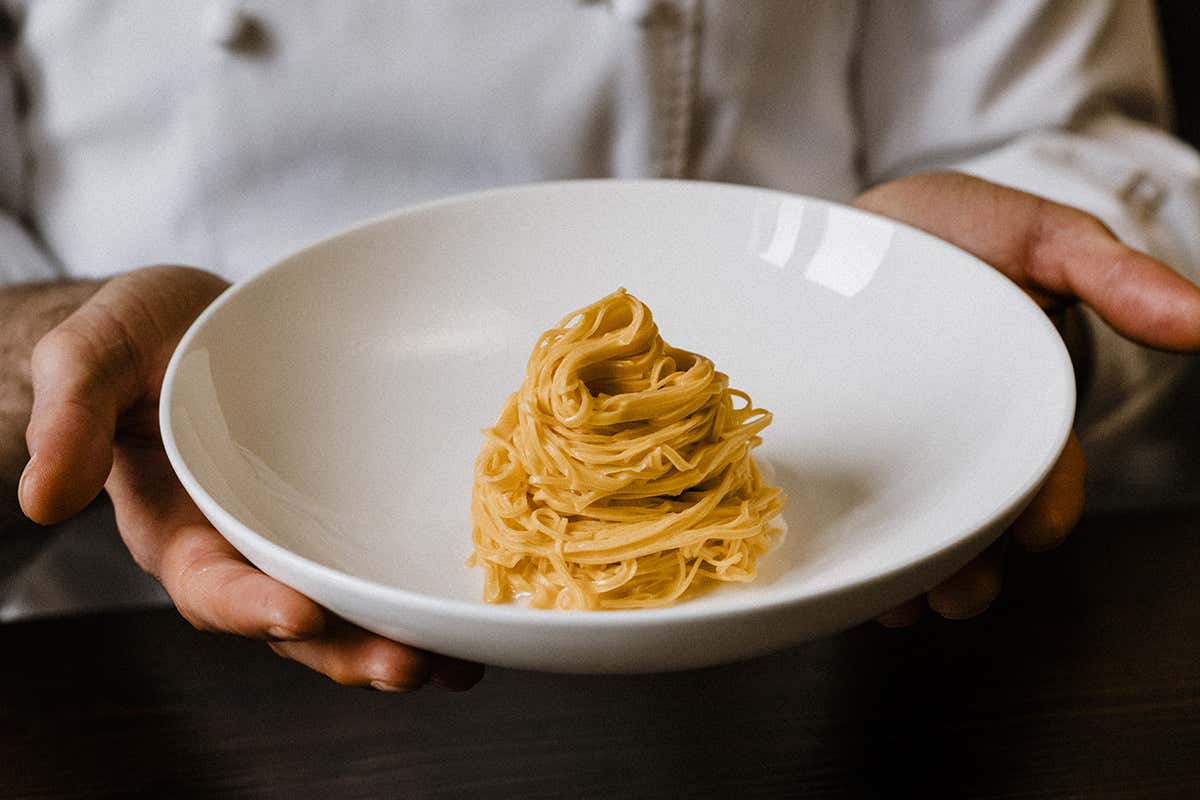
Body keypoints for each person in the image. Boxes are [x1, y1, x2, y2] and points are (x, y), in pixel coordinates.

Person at [2, 1, 1199, 691]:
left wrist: (970, 338)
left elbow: (1070, 135)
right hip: (131, 634)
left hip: (851, 632)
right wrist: (49, 349)